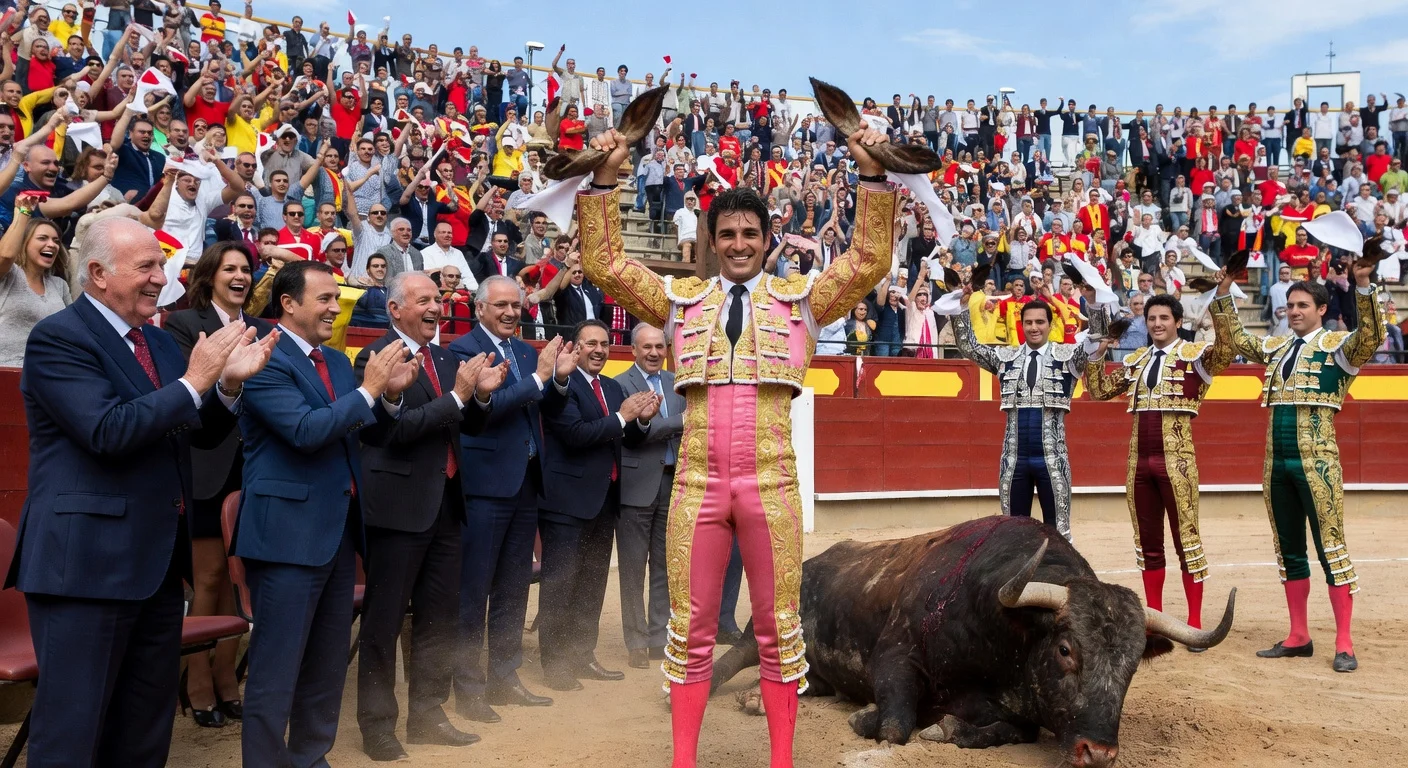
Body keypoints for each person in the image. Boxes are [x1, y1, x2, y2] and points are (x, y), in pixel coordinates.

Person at [575, 122, 897, 768]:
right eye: (727, 234)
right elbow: (603, 263)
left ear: (767, 240)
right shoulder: (679, 303)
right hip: (695, 486)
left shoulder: (800, 301)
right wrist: (605, 180)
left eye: (751, 233)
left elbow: (870, 262)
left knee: (779, 629)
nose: (740, 243)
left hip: (771, 485)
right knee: (691, 631)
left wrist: (870, 177)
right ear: (713, 243)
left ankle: (780, 762)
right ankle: (684, 762)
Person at [5, 218, 275, 768]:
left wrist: (225, 386)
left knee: (143, 732)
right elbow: (109, 431)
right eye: (147, 266)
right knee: (72, 734)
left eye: (161, 264)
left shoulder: (155, 340)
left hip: (152, 568)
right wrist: (197, 381)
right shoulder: (59, 337)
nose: (161, 277)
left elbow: (196, 430)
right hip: (84, 569)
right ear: (99, 274)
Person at [234, 260, 420, 766]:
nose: (334, 308)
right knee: (276, 671)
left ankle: (311, 758)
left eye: (336, 299)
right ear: (288, 304)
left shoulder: (337, 361)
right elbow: (305, 431)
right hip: (286, 538)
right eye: (324, 299)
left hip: (337, 534)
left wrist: (390, 399)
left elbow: (365, 432)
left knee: (325, 666)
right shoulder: (264, 358)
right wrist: (370, 392)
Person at [353, 272, 506, 760]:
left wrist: (479, 396)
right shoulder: (374, 358)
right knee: (383, 622)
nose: (435, 306)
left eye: (437, 299)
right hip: (397, 511)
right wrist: (460, 397)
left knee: (439, 618)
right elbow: (395, 433)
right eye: (423, 300)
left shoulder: (444, 357)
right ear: (395, 309)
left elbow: (470, 424)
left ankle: (428, 713)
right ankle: (377, 725)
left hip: (445, 504)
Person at [1210, 254, 1383, 673]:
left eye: (1303, 305)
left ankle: (1344, 641)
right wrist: (1222, 293)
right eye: (1290, 306)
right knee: (1289, 550)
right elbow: (1235, 340)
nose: (1295, 312)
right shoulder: (1276, 347)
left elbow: (1371, 338)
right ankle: (1299, 635)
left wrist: (1362, 287)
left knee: (1332, 549)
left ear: (1322, 309)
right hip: (1276, 465)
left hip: (1319, 464)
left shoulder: (1339, 348)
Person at [163, 242, 275, 728]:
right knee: (207, 577)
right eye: (229, 268)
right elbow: (196, 391)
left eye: (246, 269)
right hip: (207, 461)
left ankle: (227, 679)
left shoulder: (265, 328)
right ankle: (197, 685)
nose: (240, 276)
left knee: (237, 576)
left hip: (253, 463)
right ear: (209, 276)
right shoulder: (186, 324)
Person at [448, 278, 566, 722]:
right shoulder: (464, 350)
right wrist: (540, 377)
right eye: (501, 305)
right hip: (483, 487)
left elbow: (543, 410)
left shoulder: (525, 352)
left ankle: (504, 676)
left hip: (525, 484)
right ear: (479, 308)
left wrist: (557, 381)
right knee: (474, 591)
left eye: (516, 305)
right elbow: (488, 408)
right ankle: (468, 687)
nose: (511, 312)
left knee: (514, 589)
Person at [1083, 294, 1235, 636]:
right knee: (1148, 542)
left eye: (1164, 317)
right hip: (1139, 463)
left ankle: (1194, 622)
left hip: (1178, 462)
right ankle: (1153, 621)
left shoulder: (1195, 357)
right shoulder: (1137, 359)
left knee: (1187, 541)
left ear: (1177, 322)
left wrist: (1222, 297)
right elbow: (1098, 390)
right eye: (1152, 318)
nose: (1157, 323)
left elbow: (1228, 348)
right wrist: (1098, 349)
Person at [537, 319, 657, 690]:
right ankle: (555, 665)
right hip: (566, 502)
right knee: (560, 585)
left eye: (605, 344)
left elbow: (621, 435)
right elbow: (575, 436)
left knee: (591, 585)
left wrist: (639, 423)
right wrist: (624, 417)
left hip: (604, 501)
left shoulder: (610, 385)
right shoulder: (562, 384)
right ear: (574, 347)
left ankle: (582, 655)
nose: (599, 350)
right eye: (590, 343)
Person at [954, 290, 1096, 542]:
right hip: (1013, 461)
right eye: (1028, 322)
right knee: (1013, 534)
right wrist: (963, 309)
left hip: (1053, 460)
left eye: (1040, 322)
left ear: (1050, 325)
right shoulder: (1005, 358)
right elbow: (969, 347)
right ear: (1022, 324)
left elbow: (1097, 340)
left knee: (1059, 533)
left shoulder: (1068, 358)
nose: (1034, 328)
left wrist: (1094, 301)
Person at [614, 325, 686, 669]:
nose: (654, 353)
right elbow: (633, 435)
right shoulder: (620, 384)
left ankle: (659, 636)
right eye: (647, 347)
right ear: (633, 350)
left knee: (664, 566)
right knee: (631, 569)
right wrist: (678, 422)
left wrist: (674, 422)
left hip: (671, 483)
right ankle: (635, 641)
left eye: (660, 346)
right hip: (635, 485)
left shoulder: (676, 382)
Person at [0, 199, 71, 366]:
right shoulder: (8, 275)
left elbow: (73, 330)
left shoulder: (59, 285)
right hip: (6, 372)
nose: (52, 245)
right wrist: (24, 211)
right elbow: (5, 255)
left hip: (46, 374)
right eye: (42, 238)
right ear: (24, 244)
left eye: (56, 241)